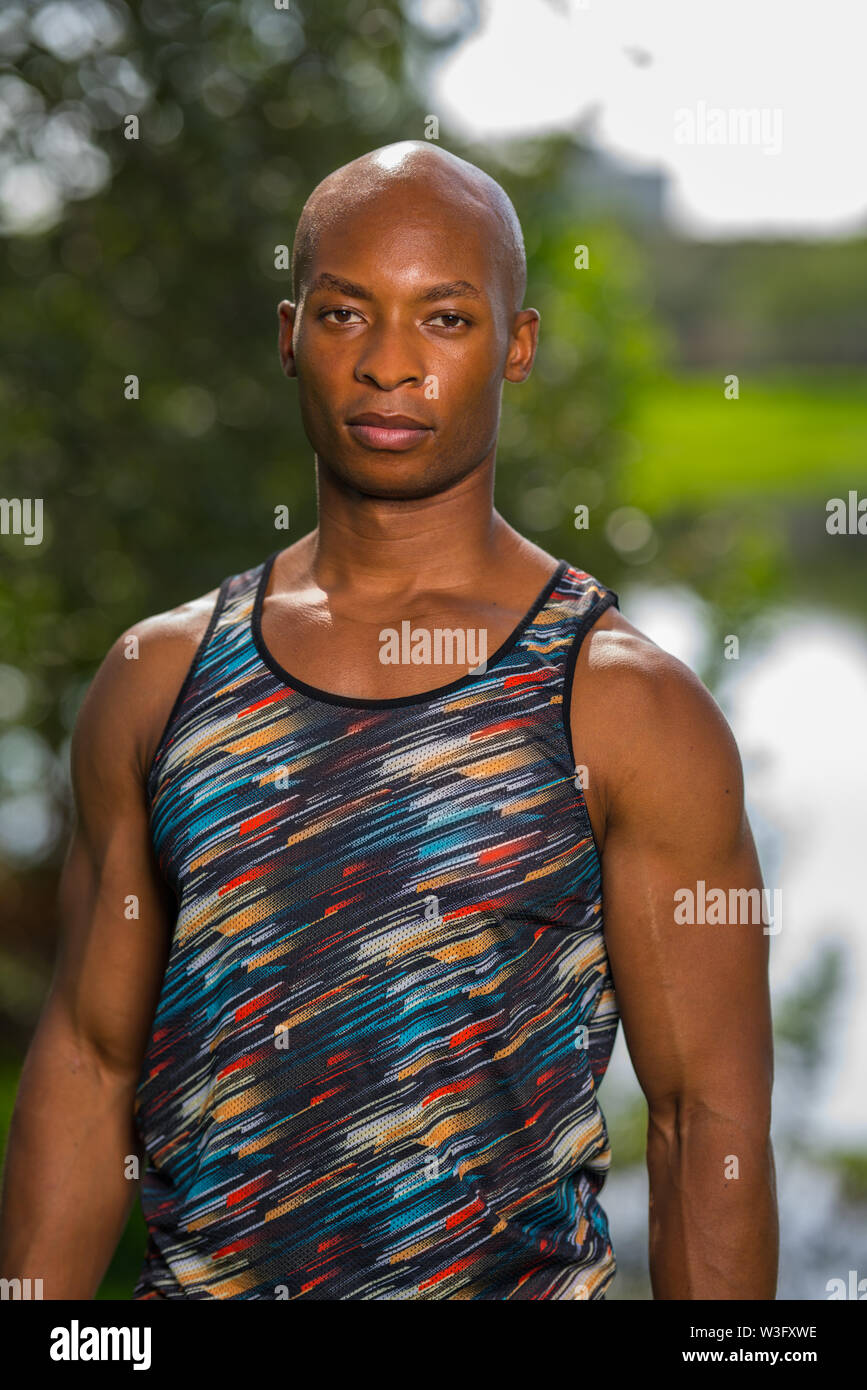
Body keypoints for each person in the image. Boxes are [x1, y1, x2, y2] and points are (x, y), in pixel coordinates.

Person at [0, 141, 778, 1300]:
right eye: (346, 314)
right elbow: (89, 1059)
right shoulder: (158, 680)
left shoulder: (624, 705)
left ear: (516, 346)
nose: (390, 365)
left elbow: (700, 1120)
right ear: (289, 334)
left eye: (447, 319)